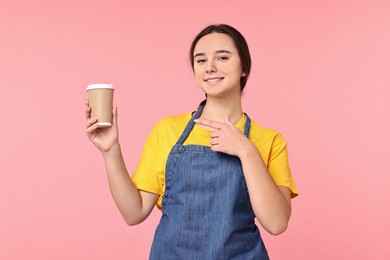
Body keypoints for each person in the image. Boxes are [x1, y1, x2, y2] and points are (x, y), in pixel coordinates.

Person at [85, 24, 298, 259]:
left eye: (223, 57)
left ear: (244, 68)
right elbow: (133, 213)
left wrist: (247, 151)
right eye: (200, 60)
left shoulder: (270, 140)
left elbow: (277, 223)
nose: (210, 67)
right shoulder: (168, 130)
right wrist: (110, 149)